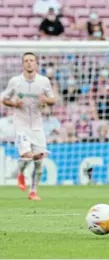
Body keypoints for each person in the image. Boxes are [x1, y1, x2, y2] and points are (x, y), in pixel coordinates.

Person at [1, 52, 56, 200]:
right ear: (22, 64)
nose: (29, 63)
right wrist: (14, 103)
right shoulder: (15, 81)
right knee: (26, 155)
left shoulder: (43, 81)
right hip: (21, 124)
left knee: (38, 163)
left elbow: (53, 100)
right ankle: (20, 174)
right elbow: (4, 99)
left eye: (32, 60)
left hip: (37, 125)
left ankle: (33, 192)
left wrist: (46, 99)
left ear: (36, 63)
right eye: (26, 61)